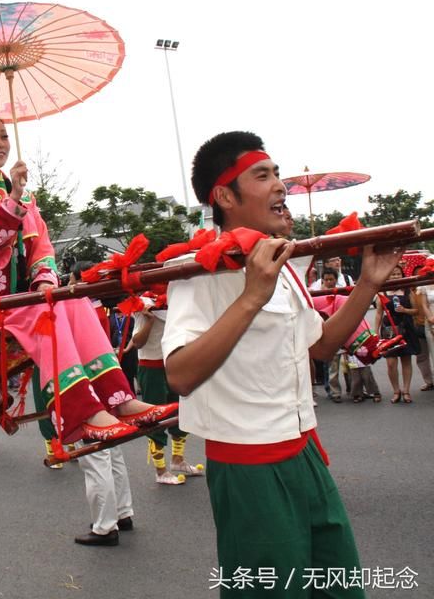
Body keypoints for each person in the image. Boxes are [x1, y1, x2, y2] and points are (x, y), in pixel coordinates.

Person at [162, 131, 402, 598]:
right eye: (263, 175)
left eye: (277, 173)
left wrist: (368, 284)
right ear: (225, 196)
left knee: (340, 587)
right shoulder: (196, 271)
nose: (280, 185)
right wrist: (252, 296)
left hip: (305, 448)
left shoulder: (283, 263)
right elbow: (181, 374)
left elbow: (319, 347)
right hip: (249, 466)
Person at [0, 110, 176, 443]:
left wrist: (44, 285)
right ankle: (83, 412)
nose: (1, 142)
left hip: (22, 303)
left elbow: (42, 247)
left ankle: (121, 401)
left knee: (73, 300)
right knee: (45, 313)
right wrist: (12, 201)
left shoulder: (25, 194)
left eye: (4, 135)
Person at [132, 293, 203, 485]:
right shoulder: (145, 303)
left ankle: (178, 460)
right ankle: (160, 470)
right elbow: (137, 342)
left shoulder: (178, 297)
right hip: (151, 366)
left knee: (181, 412)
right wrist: (149, 321)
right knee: (154, 417)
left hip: (175, 363)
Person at [375, 265, 420, 403]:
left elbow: (416, 310)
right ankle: (396, 390)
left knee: (406, 360)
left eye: (398, 274)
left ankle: (406, 390)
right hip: (389, 330)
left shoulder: (408, 291)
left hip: (406, 328)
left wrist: (405, 310)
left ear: (402, 275)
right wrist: (375, 332)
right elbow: (378, 313)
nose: (395, 277)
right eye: (392, 274)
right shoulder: (382, 292)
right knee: (390, 363)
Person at [320, 267, 352, 402]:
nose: (329, 282)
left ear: (336, 279)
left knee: (351, 364)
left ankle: (354, 388)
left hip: (344, 330)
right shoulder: (317, 294)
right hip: (328, 333)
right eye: (326, 279)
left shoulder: (342, 293)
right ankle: (334, 392)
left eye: (331, 279)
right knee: (332, 367)